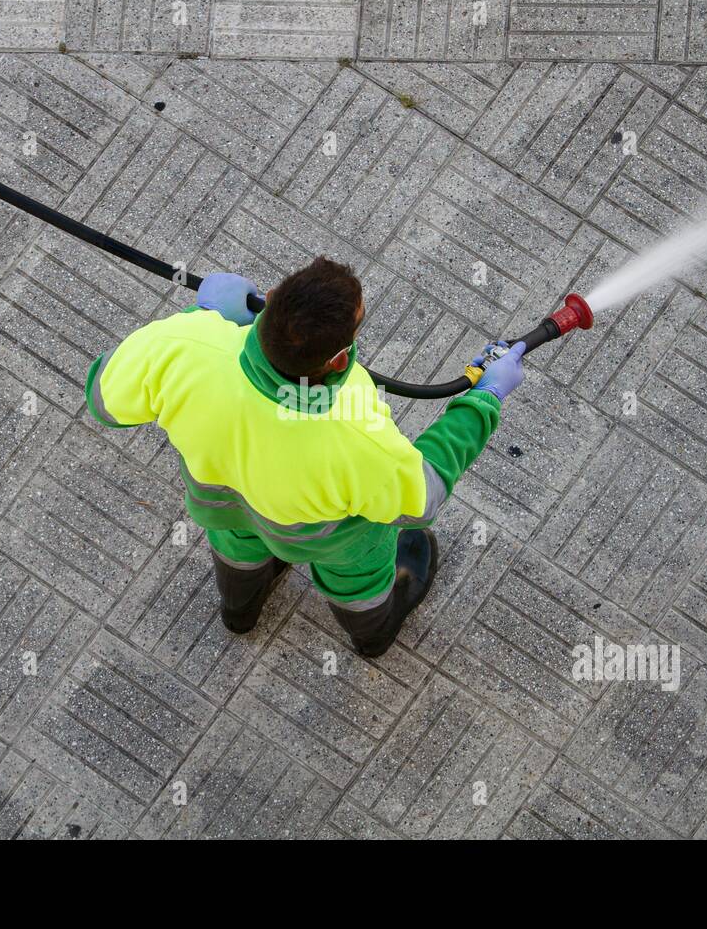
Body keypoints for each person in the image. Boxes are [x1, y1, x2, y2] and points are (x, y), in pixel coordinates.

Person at [87, 258, 526, 657]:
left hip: (225, 509)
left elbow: (102, 401)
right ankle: (373, 636)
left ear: (271, 299)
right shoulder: (354, 426)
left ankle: (240, 614)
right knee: (359, 581)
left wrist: (200, 318)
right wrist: (484, 399)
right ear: (337, 361)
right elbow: (422, 497)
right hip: (327, 539)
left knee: (237, 548)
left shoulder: (184, 345)